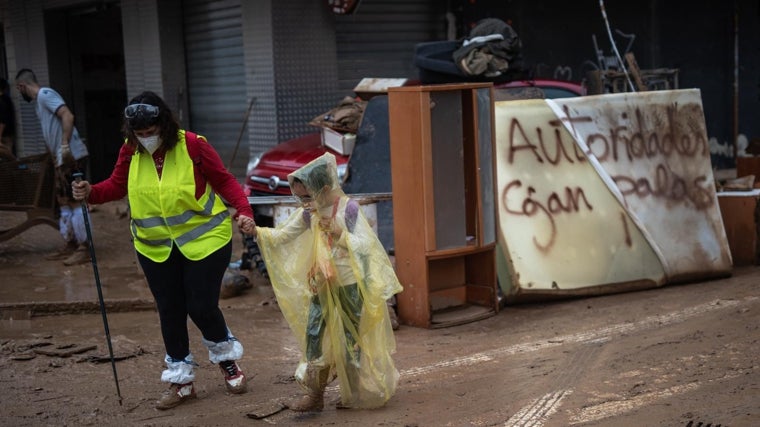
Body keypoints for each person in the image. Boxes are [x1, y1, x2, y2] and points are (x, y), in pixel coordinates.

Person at [71, 91, 257, 410]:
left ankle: (227, 360)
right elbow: (116, 186)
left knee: (200, 306)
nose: (146, 139)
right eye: (139, 134)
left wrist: (244, 211)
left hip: (206, 240)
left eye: (151, 132)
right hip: (154, 246)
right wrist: (90, 192)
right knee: (169, 310)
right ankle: (181, 380)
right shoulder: (130, 152)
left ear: (164, 124)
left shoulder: (194, 145)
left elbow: (224, 181)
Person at [252, 152, 403, 411]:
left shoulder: (349, 209)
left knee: (350, 340)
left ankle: (354, 392)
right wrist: (255, 231)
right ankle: (315, 395)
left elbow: (368, 246)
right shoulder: (308, 214)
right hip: (321, 284)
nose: (303, 203)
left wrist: (340, 234)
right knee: (313, 337)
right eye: (299, 197)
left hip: (349, 285)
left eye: (307, 196)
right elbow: (282, 237)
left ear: (323, 188)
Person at [15, 68, 90, 265]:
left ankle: (85, 248)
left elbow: (68, 116)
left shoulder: (45, 94)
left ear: (21, 86)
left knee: (75, 201)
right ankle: (71, 243)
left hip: (71, 156)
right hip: (61, 159)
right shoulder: (40, 103)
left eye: (18, 90)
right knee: (64, 201)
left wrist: (64, 145)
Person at [0, 77, 16, 160]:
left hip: (5, 135)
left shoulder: (2, 100)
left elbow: (3, 121)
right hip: (7, 134)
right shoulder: (7, 99)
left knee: (8, 159)